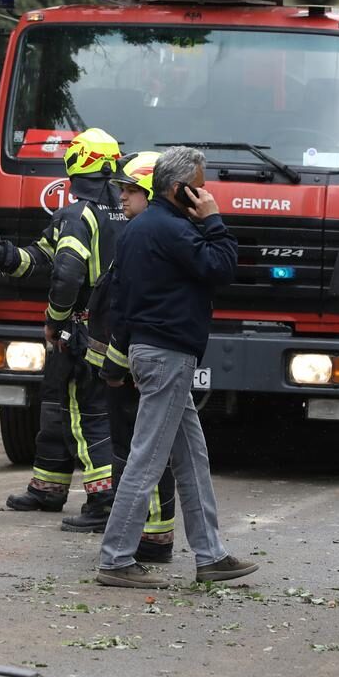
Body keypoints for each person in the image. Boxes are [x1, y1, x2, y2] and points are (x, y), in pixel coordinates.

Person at [95, 145, 258, 588]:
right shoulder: (173, 229)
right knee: (147, 460)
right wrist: (213, 219)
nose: (205, 194)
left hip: (152, 352)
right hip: (168, 355)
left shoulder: (137, 228)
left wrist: (120, 356)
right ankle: (115, 560)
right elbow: (222, 268)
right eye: (200, 187)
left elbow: (121, 301)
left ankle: (210, 555)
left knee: (192, 458)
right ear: (179, 188)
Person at [0, 129, 123, 526]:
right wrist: (5, 254)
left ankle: (102, 501)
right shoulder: (125, 212)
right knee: (56, 403)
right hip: (113, 330)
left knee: (85, 412)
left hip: (79, 331)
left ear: (76, 165)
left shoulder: (77, 215)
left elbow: (66, 274)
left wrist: (53, 322)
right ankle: (48, 487)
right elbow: (43, 254)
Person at [79, 152, 176, 561]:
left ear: (150, 193)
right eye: (121, 188)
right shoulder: (147, 235)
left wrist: (116, 363)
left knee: (139, 452)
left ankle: (149, 539)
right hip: (135, 361)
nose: (122, 196)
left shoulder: (144, 240)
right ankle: (150, 535)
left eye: (131, 190)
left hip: (132, 367)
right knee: (145, 450)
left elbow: (127, 309)